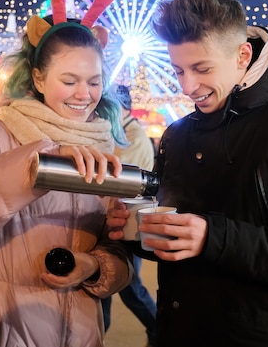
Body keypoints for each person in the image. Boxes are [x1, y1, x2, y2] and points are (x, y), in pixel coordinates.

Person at [106, 0, 268, 347]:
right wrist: (139, 232)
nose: (188, 86)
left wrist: (214, 237)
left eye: (201, 68)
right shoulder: (176, 136)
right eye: (178, 70)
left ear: (242, 55)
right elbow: (180, 239)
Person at [0, 17, 134, 346]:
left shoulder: (103, 145)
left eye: (95, 82)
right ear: (39, 78)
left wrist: (95, 266)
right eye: (69, 81)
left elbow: (118, 253)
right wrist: (40, 164)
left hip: (80, 331)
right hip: (8, 325)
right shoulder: (3, 133)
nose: (84, 94)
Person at [101, 84, 157, 347]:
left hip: (127, 223)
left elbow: (114, 180)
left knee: (130, 287)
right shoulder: (121, 131)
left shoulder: (133, 136)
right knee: (106, 286)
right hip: (116, 221)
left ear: (120, 108)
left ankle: (159, 328)